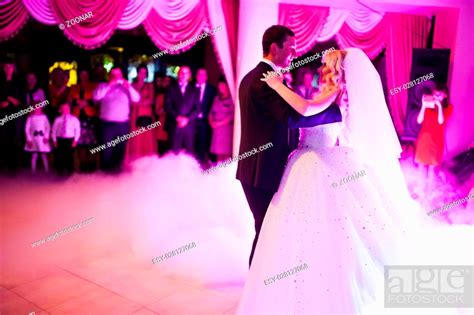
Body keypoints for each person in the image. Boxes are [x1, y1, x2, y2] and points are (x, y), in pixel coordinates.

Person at [237, 48, 472, 314]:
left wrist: (277, 86)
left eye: (326, 65)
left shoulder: (333, 96)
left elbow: (301, 112)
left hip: (318, 162)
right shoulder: (328, 95)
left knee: (329, 230)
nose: (321, 69)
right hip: (304, 162)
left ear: (336, 71)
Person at [236, 25, 342, 266]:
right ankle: (257, 287)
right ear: (275, 47)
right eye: (291, 48)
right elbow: (294, 117)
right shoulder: (265, 82)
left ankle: (261, 284)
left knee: (267, 231)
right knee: (265, 233)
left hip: (257, 168)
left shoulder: (253, 76)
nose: (295, 53)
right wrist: (331, 110)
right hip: (262, 171)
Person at [93, 67, 140, 172]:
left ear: (121, 76)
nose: (115, 77)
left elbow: (137, 98)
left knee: (120, 150)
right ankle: (105, 175)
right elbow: (96, 97)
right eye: (113, 75)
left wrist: (129, 87)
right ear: (109, 76)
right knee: (106, 151)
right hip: (106, 124)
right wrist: (109, 86)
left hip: (122, 125)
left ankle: (117, 175)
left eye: (117, 75)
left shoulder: (126, 87)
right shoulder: (103, 86)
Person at [415, 83, 452, 182]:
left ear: (445, 95)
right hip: (424, 139)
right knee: (421, 167)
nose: (436, 97)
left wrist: (439, 107)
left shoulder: (448, 108)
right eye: (435, 94)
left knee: (432, 169)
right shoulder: (428, 105)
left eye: (439, 95)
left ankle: (430, 191)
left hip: (436, 141)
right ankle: (420, 190)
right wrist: (423, 106)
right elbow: (419, 121)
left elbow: (441, 121)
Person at [164, 66, 200, 155]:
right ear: (178, 74)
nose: (184, 75)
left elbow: (197, 109)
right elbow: (167, 106)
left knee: (189, 152)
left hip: (189, 126)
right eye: (181, 73)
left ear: (189, 75)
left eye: (186, 73)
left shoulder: (195, 90)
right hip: (174, 125)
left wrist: (187, 119)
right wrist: (177, 117)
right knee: (174, 152)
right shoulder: (170, 88)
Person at [69, 70, 99, 172]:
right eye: (81, 74)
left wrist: (87, 102)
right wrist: (77, 102)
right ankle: (83, 164)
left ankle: (92, 164)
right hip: (77, 117)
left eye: (85, 74)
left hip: (91, 117)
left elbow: (97, 100)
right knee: (80, 143)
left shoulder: (94, 86)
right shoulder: (73, 87)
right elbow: (69, 101)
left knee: (92, 143)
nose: (83, 76)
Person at [126, 64, 156, 162]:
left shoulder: (150, 85)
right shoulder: (132, 85)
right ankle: (135, 160)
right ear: (137, 73)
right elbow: (130, 101)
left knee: (147, 137)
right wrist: (142, 101)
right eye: (141, 72)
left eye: (144, 73)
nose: (142, 74)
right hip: (135, 115)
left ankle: (147, 161)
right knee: (135, 137)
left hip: (146, 115)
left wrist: (137, 102)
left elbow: (151, 100)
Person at [0, 58, 25, 175]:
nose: (8, 69)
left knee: (15, 139)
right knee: (3, 138)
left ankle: (14, 166)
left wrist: (10, 99)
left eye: (10, 67)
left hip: (15, 114)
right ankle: (4, 165)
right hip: (3, 113)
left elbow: (21, 101)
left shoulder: (19, 81)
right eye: (6, 67)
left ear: (14, 68)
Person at [194, 68, 216, 165]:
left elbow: (213, 105)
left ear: (206, 77)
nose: (201, 76)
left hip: (205, 121)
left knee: (203, 143)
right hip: (192, 120)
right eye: (199, 74)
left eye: (203, 75)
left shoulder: (212, 89)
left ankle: (201, 165)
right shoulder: (191, 88)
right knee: (192, 142)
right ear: (196, 76)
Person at [52, 102, 81, 176]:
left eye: (67, 108)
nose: (65, 110)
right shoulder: (57, 119)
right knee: (60, 155)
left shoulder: (74, 119)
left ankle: (69, 170)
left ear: (70, 109)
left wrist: (75, 140)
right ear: (60, 110)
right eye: (63, 108)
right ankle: (60, 169)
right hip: (60, 139)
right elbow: (54, 130)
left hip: (70, 139)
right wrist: (54, 140)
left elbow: (77, 130)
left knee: (69, 155)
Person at [208, 79, 234, 162]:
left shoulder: (232, 99)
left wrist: (220, 123)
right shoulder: (216, 98)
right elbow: (211, 112)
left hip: (226, 130)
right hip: (216, 130)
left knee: (226, 153)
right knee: (218, 153)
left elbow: (232, 115)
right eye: (219, 86)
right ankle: (218, 171)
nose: (220, 87)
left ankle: (224, 172)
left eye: (222, 85)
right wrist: (211, 122)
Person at [24, 106, 51, 173]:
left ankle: (47, 170)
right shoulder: (30, 117)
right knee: (34, 155)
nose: (37, 109)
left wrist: (46, 137)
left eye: (39, 108)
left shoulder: (44, 117)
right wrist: (29, 139)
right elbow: (27, 129)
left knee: (43, 155)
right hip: (34, 138)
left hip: (42, 139)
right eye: (36, 108)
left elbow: (48, 127)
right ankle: (33, 171)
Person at [154, 75, 171, 155]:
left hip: (172, 126)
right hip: (161, 125)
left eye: (168, 81)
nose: (166, 83)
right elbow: (158, 111)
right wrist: (166, 108)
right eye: (164, 81)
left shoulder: (176, 96)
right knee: (161, 149)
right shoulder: (160, 96)